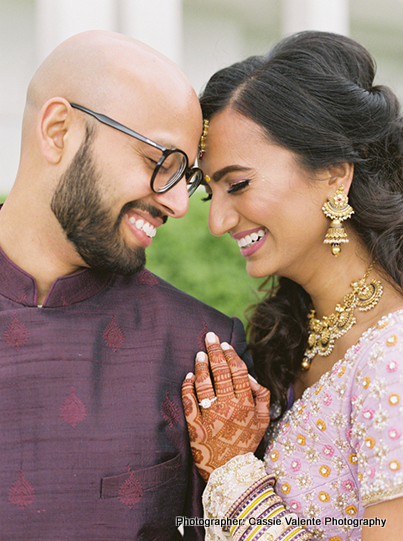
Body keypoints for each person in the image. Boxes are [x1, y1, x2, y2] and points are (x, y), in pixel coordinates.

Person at [0, 30, 253, 540]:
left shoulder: (199, 350)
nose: (180, 205)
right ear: (57, 131)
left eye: (188, 180)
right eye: (161, 163)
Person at [182, 31, 403, 541]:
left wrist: (235, 475)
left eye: (237, 184)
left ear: (333, 173)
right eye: (209, 193)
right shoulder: (296, 333)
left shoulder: (391, 356)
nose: (217, 221)